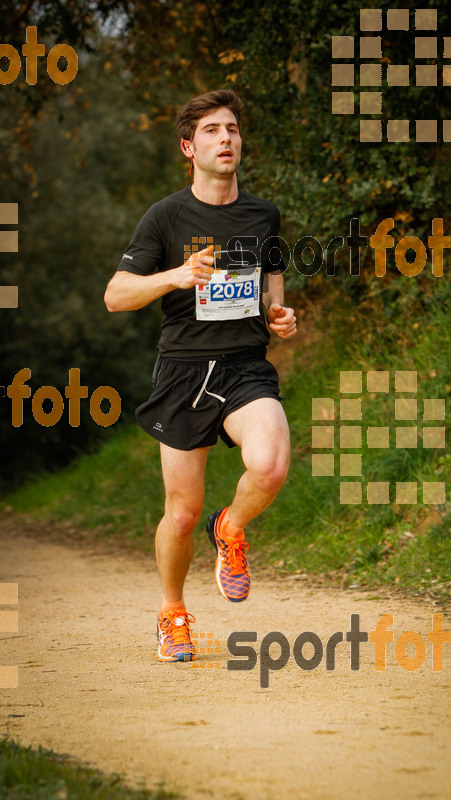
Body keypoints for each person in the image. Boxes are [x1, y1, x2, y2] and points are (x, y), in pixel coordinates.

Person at [104, 89, 296, 663]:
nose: (226, 138)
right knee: (181, 513)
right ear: (189, 147)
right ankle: (172, 613)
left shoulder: (263, 215)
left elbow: (270, 296)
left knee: (271, 464)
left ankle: (231, 528)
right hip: (184, 372)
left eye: (232, 129)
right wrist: (176, 276)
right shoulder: (165, 216)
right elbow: (115, 296)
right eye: (212, 130)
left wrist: (279, 316)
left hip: (243, 367)